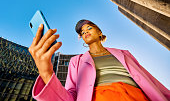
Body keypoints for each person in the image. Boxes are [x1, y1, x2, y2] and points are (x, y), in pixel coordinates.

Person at [28, 20, 170, 101]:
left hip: (138, 97)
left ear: (99, 32)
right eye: (82, 33)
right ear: (82, 39)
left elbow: (150, 80)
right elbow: (70, 97)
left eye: (89, 28)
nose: (85, 32)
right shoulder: (76, 61)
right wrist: (46, 73)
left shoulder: (124, 53)